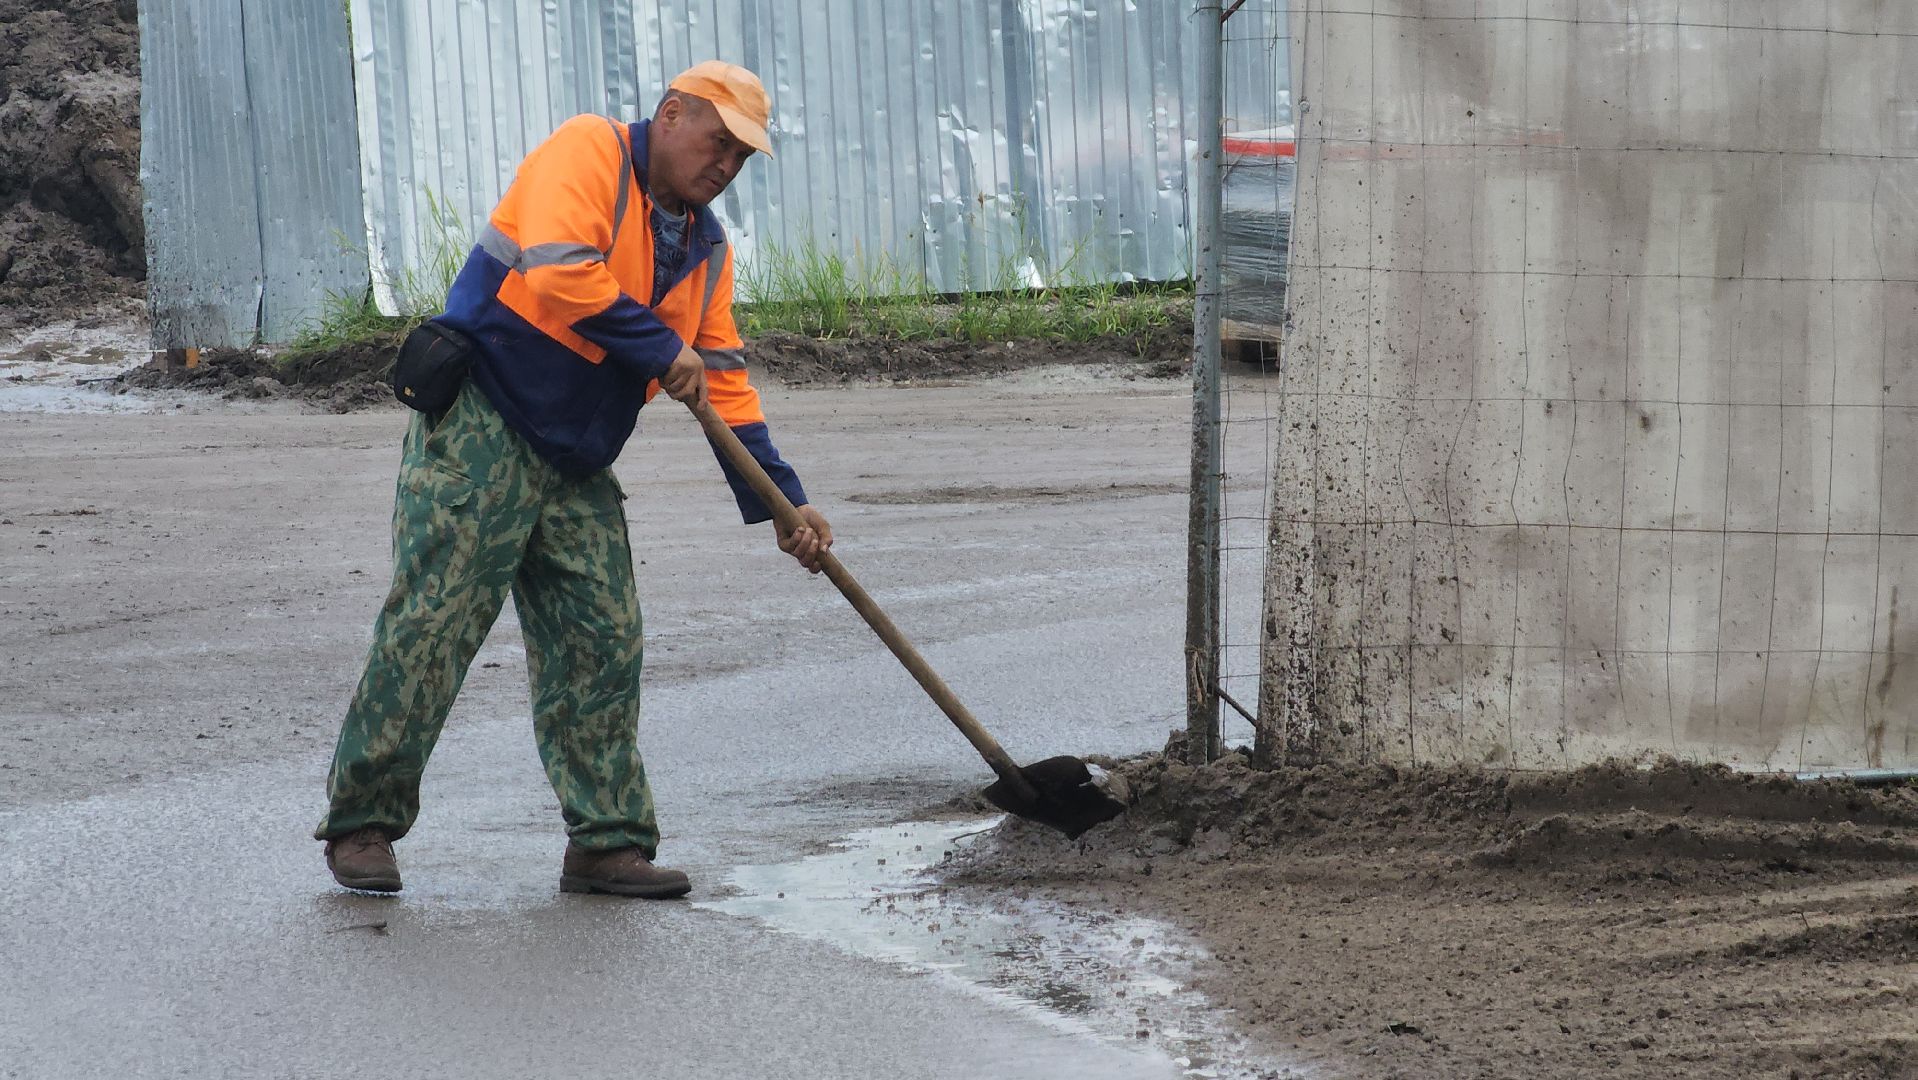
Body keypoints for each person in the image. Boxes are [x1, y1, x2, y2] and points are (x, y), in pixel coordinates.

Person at [314, 61, 829, 899]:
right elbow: (559, 268)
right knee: (434, 625)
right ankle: (361, 825)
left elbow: (724, 380)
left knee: (602, 638)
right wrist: (664, 350)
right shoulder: (589, 149)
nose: (726, 166)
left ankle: (608, 842)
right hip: (485, 422)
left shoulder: (706, 248)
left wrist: (782, 501)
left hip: (576, 456)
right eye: (718, 142)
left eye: (741, 157)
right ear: (670, 115)